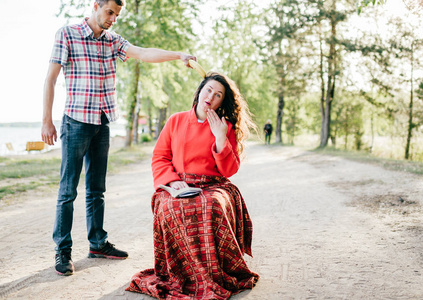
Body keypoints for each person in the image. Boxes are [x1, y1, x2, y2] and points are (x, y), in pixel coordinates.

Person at [41, 0, 196, 276]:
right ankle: (63, 250)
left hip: (102, 122)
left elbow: (144, 52)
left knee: (97, 189)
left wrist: (179, 55)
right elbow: (51, 78)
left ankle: (97, 243)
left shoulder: (113, 41)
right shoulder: (67, 34)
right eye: (109, 12)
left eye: (117, 14)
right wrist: (46, 120)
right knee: (68, 192)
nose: (113, 19)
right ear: (96, 5)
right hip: (75, 122)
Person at [126, 72, 259, 299]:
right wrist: (172, 181)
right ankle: (179, 271)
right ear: (199, 91)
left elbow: (229, 171)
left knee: (212, 205)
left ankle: (211, 272)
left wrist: (220, 138)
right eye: (208, 90)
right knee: (168, 207)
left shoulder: (224, 126)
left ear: (221, 101)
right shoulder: (175, 120)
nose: (211, 97)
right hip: (176, 183)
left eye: (218, 95)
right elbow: (159, 157)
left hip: (213, 184)